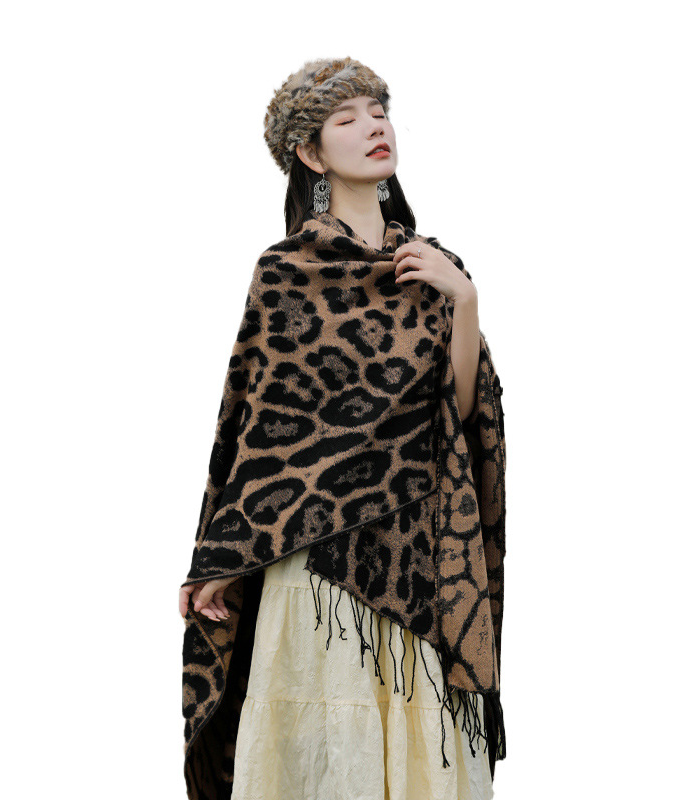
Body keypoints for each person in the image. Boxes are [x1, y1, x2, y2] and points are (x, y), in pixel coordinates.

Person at [179, 57, 505, 800]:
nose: (374, 126)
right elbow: (262, 435)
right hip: (317, 564)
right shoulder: (286, 270)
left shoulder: (435, 267)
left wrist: (464, 299)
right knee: (322, 755)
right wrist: (222, 556)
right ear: (310, 152)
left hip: (416, 552)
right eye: (346, 118)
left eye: (379, 111)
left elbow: (461, 418)